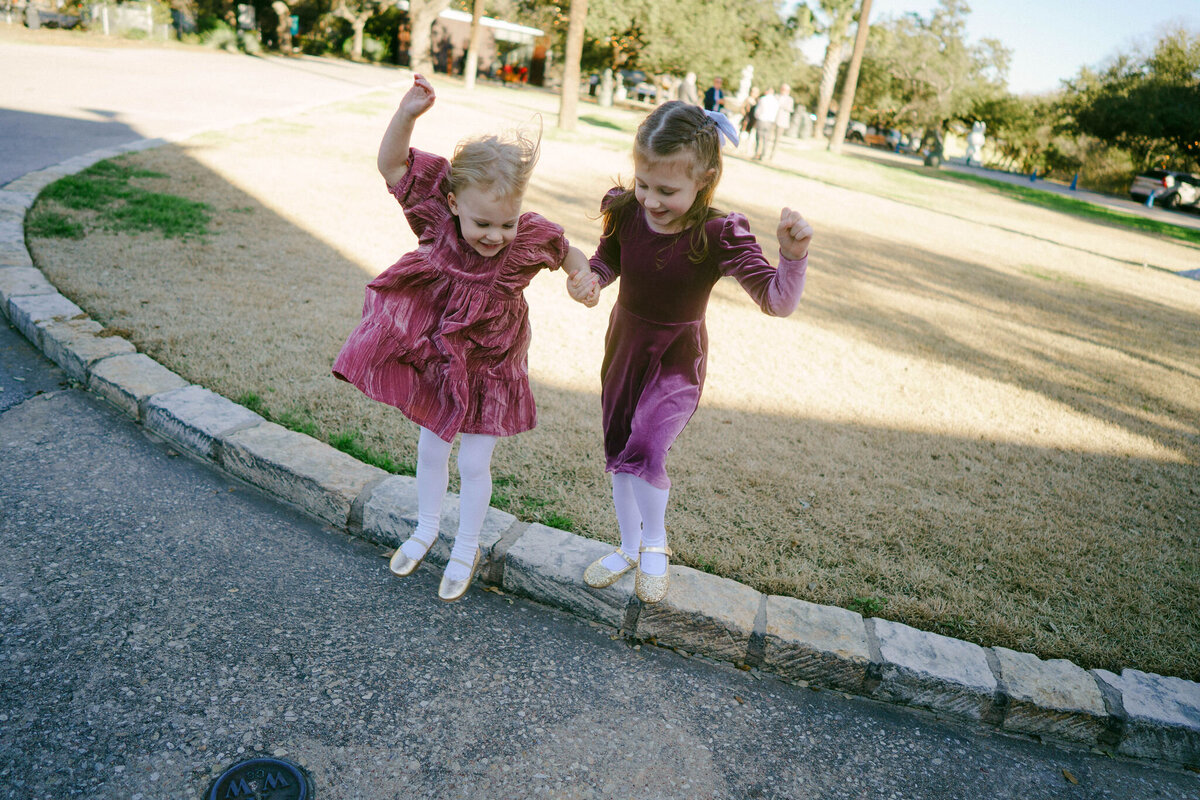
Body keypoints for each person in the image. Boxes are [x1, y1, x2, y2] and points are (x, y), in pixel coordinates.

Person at [332, 75, 599, 602]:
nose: (495, 236)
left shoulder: (527, 237)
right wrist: (408, 114)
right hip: (439, 350)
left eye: (507, 222)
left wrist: (582, 278)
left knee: (475, 460)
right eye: (483, 223)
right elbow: (391, 165)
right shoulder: (435, 217)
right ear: (453, 202)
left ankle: (466, 546)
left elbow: (566, 249)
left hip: (494, 359)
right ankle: (426, 528)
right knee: (433, 445)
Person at [580, 101, 813, 603]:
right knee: (619, 450)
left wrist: (792, 258)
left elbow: (777, 301)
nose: (651, 200)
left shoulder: (717, 234)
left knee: (646, 446)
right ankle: (627, 546)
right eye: (644, 184)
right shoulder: (625, 209)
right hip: (623, 345)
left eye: (667, 191)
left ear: (704, 181)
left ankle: (655, 545)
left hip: (676, 359)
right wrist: (594, 279)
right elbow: (608, 258)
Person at [752, 86, 778, 161]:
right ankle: (763, 154)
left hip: (762, 119)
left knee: (759, 137)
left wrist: (756, 117)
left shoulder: (763, 99)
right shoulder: (775, 101)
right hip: (770, 121)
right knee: (766, 138)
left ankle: (757, 153)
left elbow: (758, 111)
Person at [770, 84, 795, 159]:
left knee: (777, 139)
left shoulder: (790, 99)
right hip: (772, 119)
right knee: (768, 137)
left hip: (782, 121)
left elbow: (790, 109)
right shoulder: (776, 96)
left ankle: (772, 155)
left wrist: (782, 105)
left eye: (785, 90)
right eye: (783, 89)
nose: (783, 91)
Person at [737, 86, 760, 154]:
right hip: (747, 118)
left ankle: (747, 149)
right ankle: (739, 147)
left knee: (751, 135)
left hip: (753, 120)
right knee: (743, 132)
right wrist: (745, 116)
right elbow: (742, 108)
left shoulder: (757, 101)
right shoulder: (748, 99)